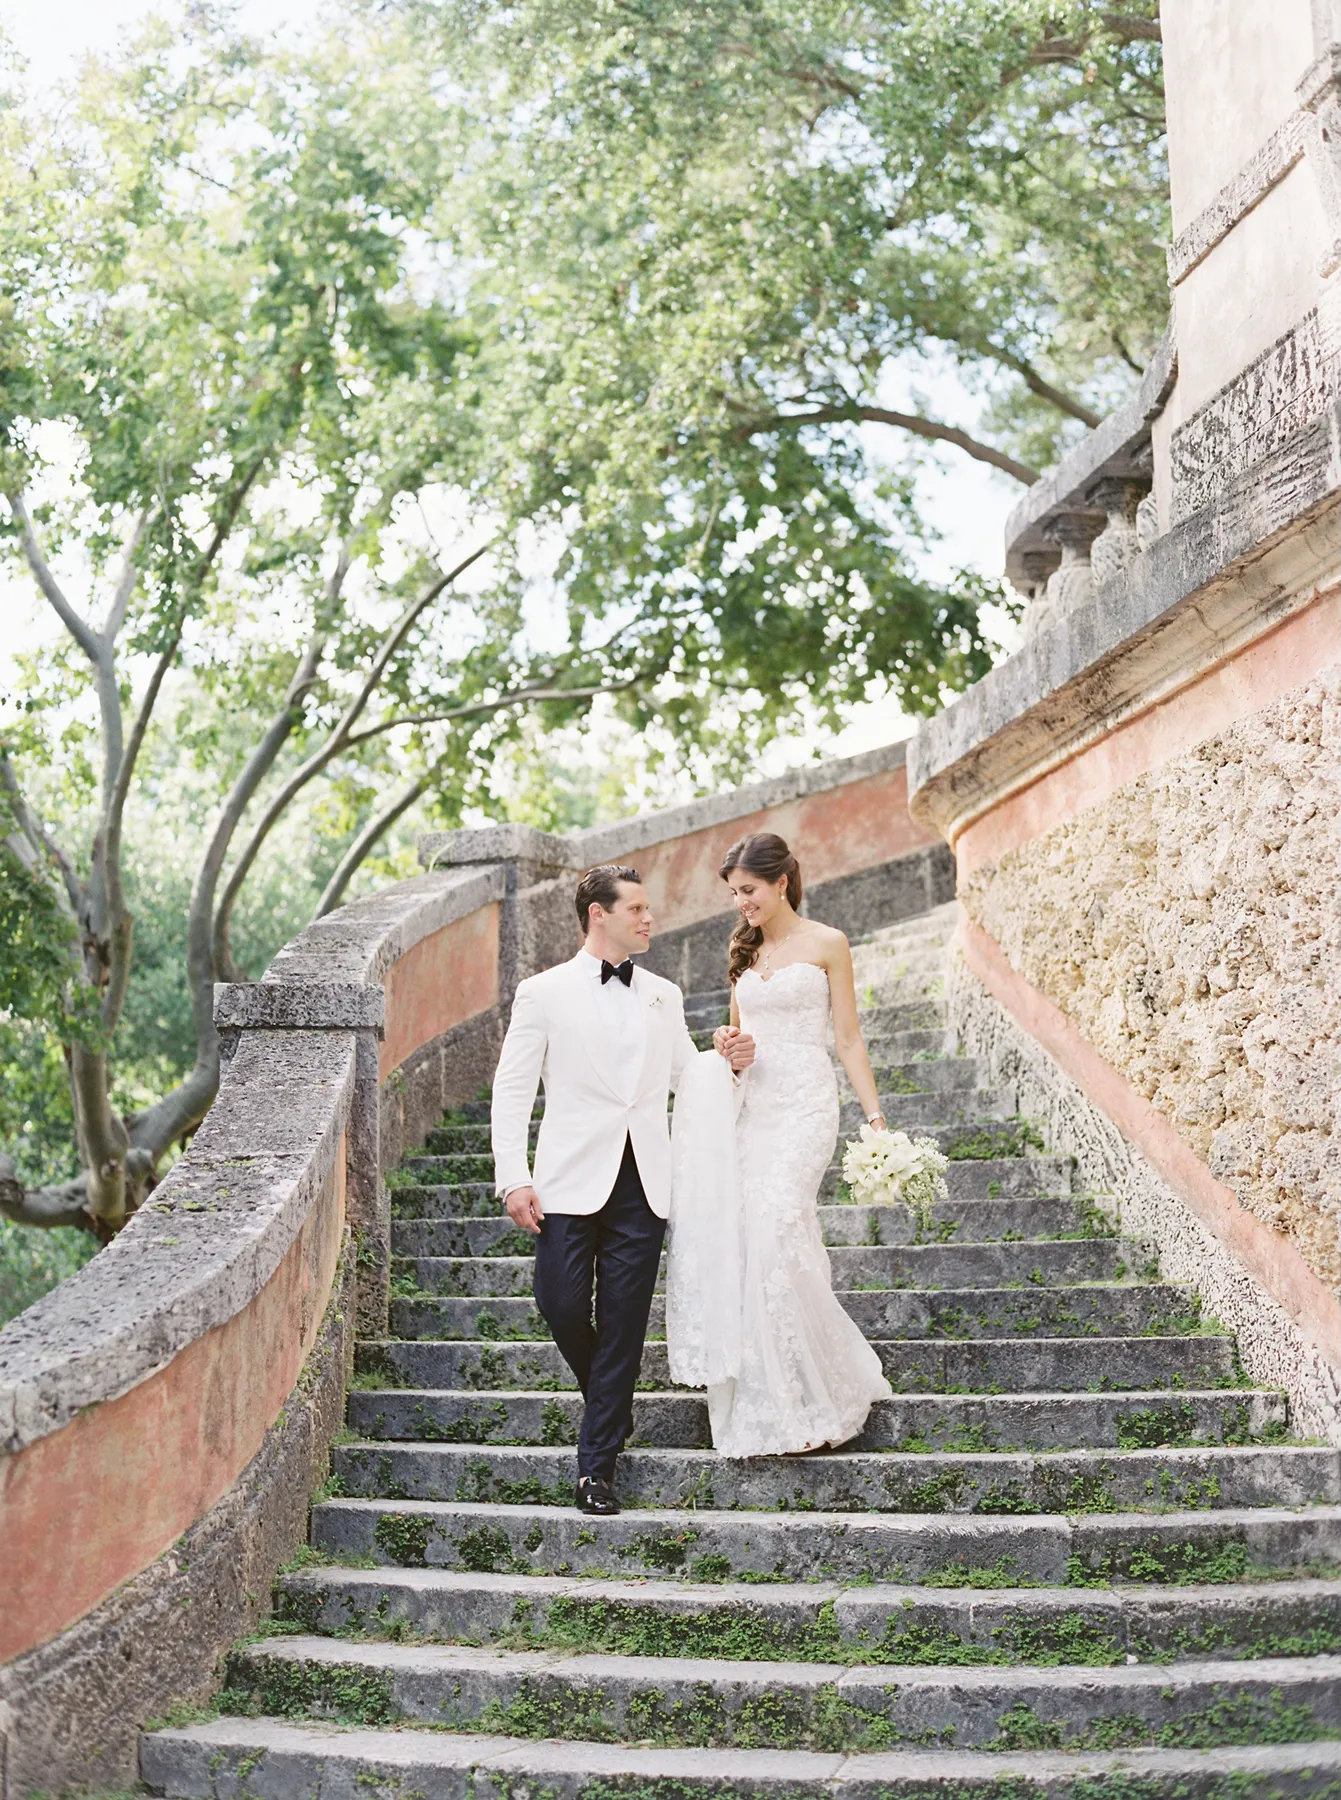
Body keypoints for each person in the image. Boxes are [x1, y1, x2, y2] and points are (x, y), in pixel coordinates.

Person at [491, 864, 754, 1516]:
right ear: (597, 914)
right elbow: (512, 1089)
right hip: (566, 1179)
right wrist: (513, 1176)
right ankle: (613, 1403)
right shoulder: (542, 993)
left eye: (646, 907)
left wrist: (723, 1057)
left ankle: (595, 1468)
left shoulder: (662, 994)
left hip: (644, 1181)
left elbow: (681, 1075)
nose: (647, 918)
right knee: (559, 1304)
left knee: (623, 1326)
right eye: (634, 908)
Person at [666, 831, 892, 1457]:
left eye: (750, 890)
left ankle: (816, 1392)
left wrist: (874, 1119)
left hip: (805, 1110)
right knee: (752, 1243)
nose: (741, 903)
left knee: (776, 1227)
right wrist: (726, 1049)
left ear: (782, 881)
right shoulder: (742, 954)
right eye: (735, 893)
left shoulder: (828, 944)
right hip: (752, 1111)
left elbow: (846, 1038)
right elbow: (740, 1044)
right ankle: (775, 1395)